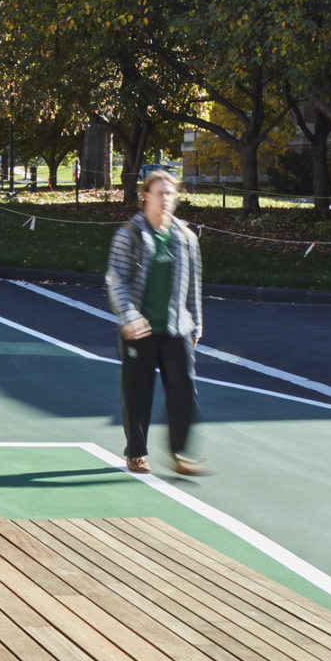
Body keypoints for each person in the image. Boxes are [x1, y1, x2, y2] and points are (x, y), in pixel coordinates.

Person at [107, 167, 205, 475]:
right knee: (137, 392)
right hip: (140, 329)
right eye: (159, 193)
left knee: (184, 388)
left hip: (176, 327)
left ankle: (179, 453)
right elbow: (116, 279)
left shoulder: (185, 237)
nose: (165, 199)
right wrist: (129, 316)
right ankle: (136, 452)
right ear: (145, 196)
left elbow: (193, 284)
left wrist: (196, 324)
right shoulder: (130, 234)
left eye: (170, 194)